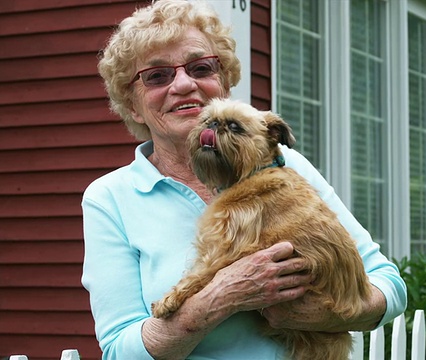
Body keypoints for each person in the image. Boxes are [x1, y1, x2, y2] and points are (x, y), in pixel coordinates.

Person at [81, 0, 407, 359]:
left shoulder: (284, 165)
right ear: (132, 104)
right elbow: (119, 350)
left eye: (200, 67)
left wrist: (319, 313)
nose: (184, 84)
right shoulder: (111, 197)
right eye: (157, 76)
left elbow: (389, 287)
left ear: (222, 82)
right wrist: (221, 296)